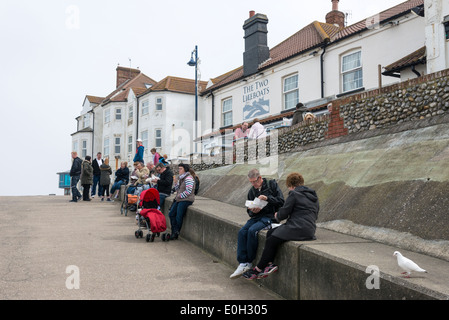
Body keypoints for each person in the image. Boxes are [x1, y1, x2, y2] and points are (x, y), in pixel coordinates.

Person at [243, 172, 319, 280]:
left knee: (272, 239)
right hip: (310, 229)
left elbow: (283, 213)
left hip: (297, 228)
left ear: (291, 186)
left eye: (288, 187)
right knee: (271, 232)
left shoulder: (294, 194)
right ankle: (269, 265)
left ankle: (258, 269)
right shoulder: (313, 196)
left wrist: (276, 215)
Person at [230, 168, 284, 279]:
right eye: (251, 182)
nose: (253, 184)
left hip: (269, 217)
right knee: (242, 231)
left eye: (254, 181)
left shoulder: (271, 184)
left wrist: (268, 198)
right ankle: (242, 262)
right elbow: (248, 209)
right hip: (257, 216)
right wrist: (252, 210)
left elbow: (281, 201)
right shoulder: (252, 191)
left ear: (260, 178)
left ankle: (249, 261)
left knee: (252, 231)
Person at [168, 163, 195, 240]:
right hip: (180, 199)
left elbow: (189, 191)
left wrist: (179, 196)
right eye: (179, 168)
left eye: (180, 169)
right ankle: (174, 231)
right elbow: (178, 189)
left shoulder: (188, 178)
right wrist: (176, 183)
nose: (179, 170)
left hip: (187, 199)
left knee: (179, 215)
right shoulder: (181, 178)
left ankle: (176, 232)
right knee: (171, 213)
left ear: (185, 170)